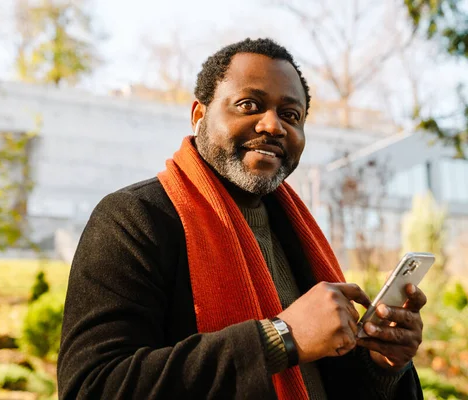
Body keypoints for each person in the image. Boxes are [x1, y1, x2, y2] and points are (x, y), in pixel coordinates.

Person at [57, 38, 426, 399]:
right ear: (199, 115)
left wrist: (381, 365)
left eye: (291, 115)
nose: (273, 126)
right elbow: (93, 386)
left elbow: (323, 379)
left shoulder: (299, 231)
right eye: (249, 104)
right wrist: (280, 338)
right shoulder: (134, 218)